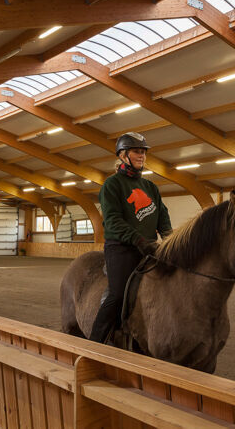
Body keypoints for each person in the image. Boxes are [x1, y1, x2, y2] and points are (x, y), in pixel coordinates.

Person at [88, 132, 172, 344]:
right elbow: (113, 221)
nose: (142, 155)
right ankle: (95, 342)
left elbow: (162, 216)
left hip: (150, 248)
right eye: (136, 151)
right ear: (123, 155)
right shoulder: (112, 185)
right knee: (118, 294)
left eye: (143, 151)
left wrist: (170, 240)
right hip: (121, 248)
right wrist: (139, 240)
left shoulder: (150, 187)